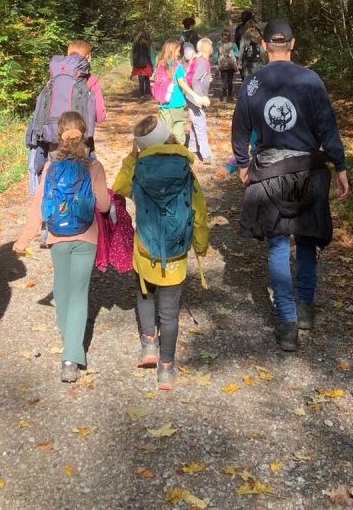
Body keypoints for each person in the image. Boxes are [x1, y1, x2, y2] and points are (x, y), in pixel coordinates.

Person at [231, 19, 350, 352]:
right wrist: (340, 166)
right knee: (307, 239)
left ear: (265, 46)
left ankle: (286, 324)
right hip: (309, 172)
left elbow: (240, 128)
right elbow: (328, 126)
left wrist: (243, 164)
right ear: (292, 44)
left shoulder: (253, 83)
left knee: (278, 245)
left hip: (270, 175)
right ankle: (305, 308)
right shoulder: (310, 80)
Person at [112, 115, 209, 390]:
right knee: (169, 312)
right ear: (168, 137)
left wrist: (131, 159)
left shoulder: (139, 169)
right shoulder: (184, 170)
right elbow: (199, 212)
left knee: (145, 294)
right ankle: (166, 368)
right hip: (176, 254)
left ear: (141, 145)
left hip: (145, 250)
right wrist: (201, 245)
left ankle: (149, 346)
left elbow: (117, 189)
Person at [13, 112, 110, 382]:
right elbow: (103, 206)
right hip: (86, 237)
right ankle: (70, 357)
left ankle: (70, 343)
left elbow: (38, 207)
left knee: (62, 291)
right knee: (79, 294)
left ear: (59, 134)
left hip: (57, 237)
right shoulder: (94, 166)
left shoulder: (50, 167)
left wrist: (24, 239)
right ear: (85, 133)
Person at [25, 39, 106, 195]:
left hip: (53, 136)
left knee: (55, 177)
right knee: (83, 180)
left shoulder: (53, 79)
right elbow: (100, 116)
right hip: (81, 140)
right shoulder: (90, 81)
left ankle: (57, 206)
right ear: (88, 58)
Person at [153, 39, 207, 145]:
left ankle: (166, 148)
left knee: (166, 129)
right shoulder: (177, 66)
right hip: (176, 102)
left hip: (163, 103)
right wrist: (195, 95)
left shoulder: (160, 64)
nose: (179, 53)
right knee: (178, 126)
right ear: (172, 51)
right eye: (177, 51)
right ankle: (178, 149)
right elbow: (182, 83)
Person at [185, 37, 214, 164]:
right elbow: (195, 79)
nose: (213, 48)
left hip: (193, 97)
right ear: (208, 48)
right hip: (195, 98)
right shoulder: (202, 61)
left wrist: (208, 79)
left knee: (196, 122)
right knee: (200, 125)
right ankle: (205, 155)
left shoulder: (201, 59)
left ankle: (192, 148)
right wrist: (200, 97)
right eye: (211, 46)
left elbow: (199, 77)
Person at [130, 28, 155, 101]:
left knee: (140, 79)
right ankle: (148, 93)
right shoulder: (148, 44)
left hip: (138, 64)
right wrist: (153, 64)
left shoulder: (135, 44)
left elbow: (132, 54)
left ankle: (141, 94)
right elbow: (152, 55)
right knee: (146, 78)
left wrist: (132, 64)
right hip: (147, 64)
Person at [215, 29, 240, 103]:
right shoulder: (233, 44)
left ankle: (224, 97)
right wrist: (234, 57)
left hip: (222, 65)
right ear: (229, 36)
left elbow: (215, 55)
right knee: (230, 81)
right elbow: (237, 54)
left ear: (221, 36)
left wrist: (216, 61)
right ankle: (230, 96)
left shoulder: (219, 44)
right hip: (231, 65)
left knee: (224, 81)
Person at [233, 10, 254, 78]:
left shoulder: (239, 28)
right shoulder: (254, 28)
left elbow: (236, 41)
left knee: (244, 74)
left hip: (244, 54)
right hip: (249, 54)